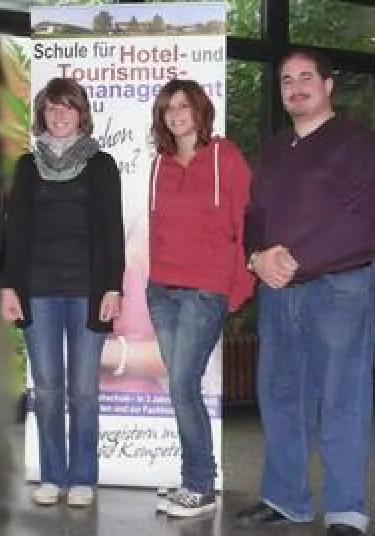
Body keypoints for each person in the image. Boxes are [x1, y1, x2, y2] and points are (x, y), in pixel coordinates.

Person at [233, 49, 375, 536]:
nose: (295, 87)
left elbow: (362, 219)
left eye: (305, 78)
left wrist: (293, 259)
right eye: (286, 80)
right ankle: (285, 498)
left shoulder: (358, 144)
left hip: (340, 289)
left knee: (342, 398)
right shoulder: (274, 149)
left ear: (328, 86)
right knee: (280, 398)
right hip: (279, 292)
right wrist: (256, 257)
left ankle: (346, 511)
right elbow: (254, 214)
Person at [0, 77, 124, 508]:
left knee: (84, 392)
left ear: (81, 114)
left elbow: (112, 231)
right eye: (52, 108)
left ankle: (83, 477)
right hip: (39, 291)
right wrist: (9, 286)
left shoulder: (101, 165)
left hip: (88, 291)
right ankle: (52, 475)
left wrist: (113, 287)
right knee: (48, 389)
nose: (59, 115)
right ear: (42, 115)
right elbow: (15, 231)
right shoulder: (26, 166)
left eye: (67, 107)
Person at [146, 79, 253, 518]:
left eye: (183, 106)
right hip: (162, 291)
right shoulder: (160, 163)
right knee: (182, 387)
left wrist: (237, 290)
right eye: (168, 108)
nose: (176, 114)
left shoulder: (225, 157)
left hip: (205, 292)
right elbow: (156, 228)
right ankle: (194, 479)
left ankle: (200, 485)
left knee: (182, 386)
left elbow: (247, 222)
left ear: (200, 110)